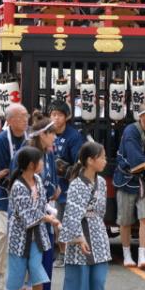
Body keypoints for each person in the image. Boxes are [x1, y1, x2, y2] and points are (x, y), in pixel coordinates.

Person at [60, 141, 110, 290]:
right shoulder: (76, 185)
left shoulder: (102, 183)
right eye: (103, 157)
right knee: (81, 275)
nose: (105, 161)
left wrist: (96, 225)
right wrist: (79, 237)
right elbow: (71, 213)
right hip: (79, 232)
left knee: (98, 277)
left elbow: (102, 210)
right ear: (90, 160)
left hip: (97, 230)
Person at [6, 146, 59, 290]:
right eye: (40, 161)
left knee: (36, 268)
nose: (43, 164)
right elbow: (27, 213)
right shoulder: (18, 186)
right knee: (18, 270)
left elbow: (41, 203)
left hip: (37, 234)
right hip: (19, 234)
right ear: (31, 164)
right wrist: (49, 219)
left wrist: (49, 210)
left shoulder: (37, 179)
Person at [113, 93, 145, 269]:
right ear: (141, 116)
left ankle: (142, 256)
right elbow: (138, 159)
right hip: (127, 179)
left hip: (144, 181)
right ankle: (127, 255)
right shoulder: (131, 131)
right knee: (125, 220)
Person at [0, 103, 30, 290]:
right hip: (3, 193)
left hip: (26, 194)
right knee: (5, 232)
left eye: (26, 116)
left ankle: (25, 278)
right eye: (21, 116)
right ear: (10, 120)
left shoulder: (29, 139)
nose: (25, 120)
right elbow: (0, 173)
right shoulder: (0, 140)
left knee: (26, 235)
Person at [50, 101, 85, 261]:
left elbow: (79, 163)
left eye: (59, 115)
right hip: (49, 184)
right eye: (53, 114)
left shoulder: (73, 136)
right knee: (56, 220)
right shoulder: (47, 133)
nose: (55, 118)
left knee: (66, 219)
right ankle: (62, 251)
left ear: (67, 117)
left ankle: (68, 252)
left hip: (67, 186)